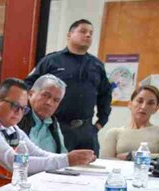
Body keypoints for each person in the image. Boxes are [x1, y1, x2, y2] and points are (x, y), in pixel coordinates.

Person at [0, 78, 96, 190]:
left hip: (9, 188)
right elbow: (14, 162)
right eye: (15, 106)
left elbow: (38, 153)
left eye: (23, 109)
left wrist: (74, 158)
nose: (19, 113)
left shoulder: (13, 129)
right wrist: (66, 160)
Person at [25, 19, 112, 154]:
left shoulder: (97, 65)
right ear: (69, 35)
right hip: (57, 127)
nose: (88, 35)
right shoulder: (51, 61)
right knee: (55, 169)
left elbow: (105, 96)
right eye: (83, 31)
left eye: (91, 33)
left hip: (87, 131)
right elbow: (29, 86)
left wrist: (100, 123)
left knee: (89, 171)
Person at [100, 85, 159, 160]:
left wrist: (132, 156)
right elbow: (105, 161)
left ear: (156, 109)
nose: (144, 106)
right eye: (140, 101)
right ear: (130, 104)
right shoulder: (114, 133)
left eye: (150, 103)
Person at [18, 74, 68, 153]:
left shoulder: (53, 123)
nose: (49, 103)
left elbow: (62, 154)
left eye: (56, 100)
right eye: (46, 95)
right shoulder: (18, 117)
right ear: (30, 94)